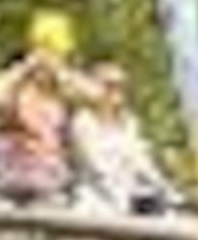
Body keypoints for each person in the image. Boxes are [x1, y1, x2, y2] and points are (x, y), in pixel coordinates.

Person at [0, 12, 78, 206]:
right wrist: (27, 66)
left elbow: (97, 94)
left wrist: (61, 72)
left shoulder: (58, 99)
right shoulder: (16, 93)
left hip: (51, 189)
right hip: (12, 189)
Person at [63, 61, 177, 216]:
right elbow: (97, 167)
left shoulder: (129, 122)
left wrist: (166, 189)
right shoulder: (83, 122)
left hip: (127, 198)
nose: (116, 91)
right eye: (109, 85)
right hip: (95, 203)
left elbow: (141, 161)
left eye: (121, 86)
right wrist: (125, 199)